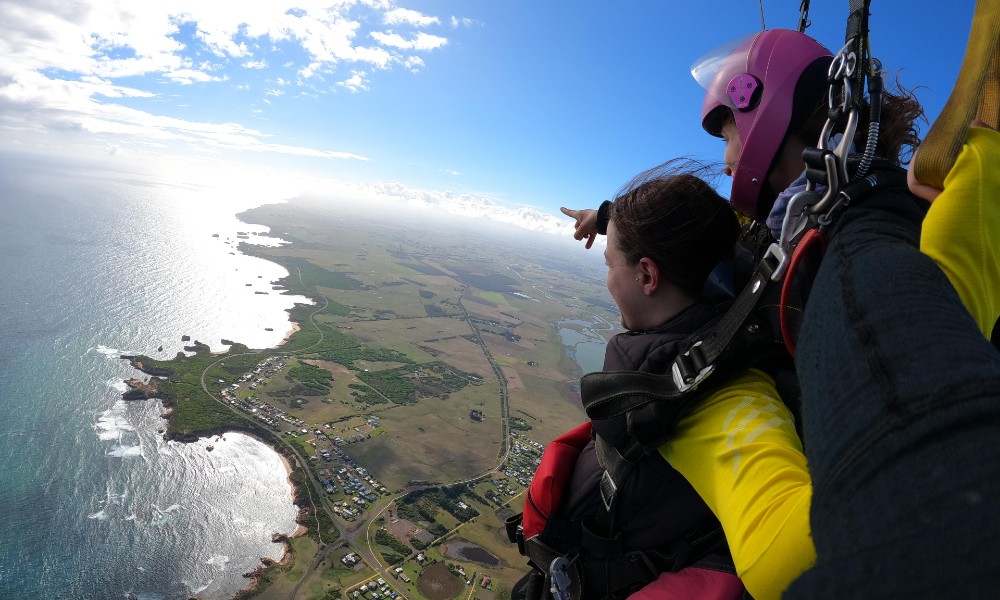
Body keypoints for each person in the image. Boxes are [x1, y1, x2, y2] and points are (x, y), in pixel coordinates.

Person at [690, 28, 1000, 596]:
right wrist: (609, 217)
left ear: (764, 109)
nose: (729, 159)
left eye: (728, 136)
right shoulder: (856, 212)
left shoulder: (851, 244)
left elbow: (926, 490)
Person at [535, 160, 813, 600]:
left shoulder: (721, 402)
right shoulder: (721, 302)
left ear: (646, 275)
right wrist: (607, 218)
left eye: (611, 264)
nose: (608, 280)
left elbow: (803, 559)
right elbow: (697, 225)